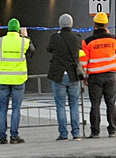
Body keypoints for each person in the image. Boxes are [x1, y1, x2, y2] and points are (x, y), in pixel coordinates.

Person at [0, 18, 35, 145]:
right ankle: (14, 137)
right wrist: (26, 37)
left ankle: (2, 137)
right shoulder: (23, 42)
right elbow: (32, 51)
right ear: (19, 29)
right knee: (16, 108)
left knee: (2, 109)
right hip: (19, 80)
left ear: (8, 29)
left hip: (3, 78)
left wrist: (0, 68)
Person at [80, 12, 116, 138]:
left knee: (95, 104)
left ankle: (95, 132)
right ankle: (112, 130)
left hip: (95, 77)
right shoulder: (114, 39)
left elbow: (84, 61)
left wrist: (84, 76)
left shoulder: (87, 42)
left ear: (95, 25)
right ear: (106, 25)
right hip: (111, 76)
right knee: (111, 103)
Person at [46, 13, 84, 141]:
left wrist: (57, 35)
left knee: (60, 105)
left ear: (60, 24)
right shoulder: (77, 38)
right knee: (74, 105)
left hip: (59, 75)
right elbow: (81, 49)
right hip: (73, 74)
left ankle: (63, 134)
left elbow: (49, 49)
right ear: (72, 24)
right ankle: (76, 133)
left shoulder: (55, 38)